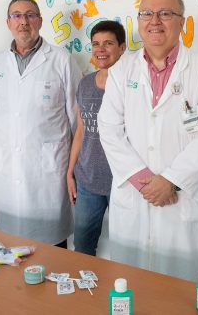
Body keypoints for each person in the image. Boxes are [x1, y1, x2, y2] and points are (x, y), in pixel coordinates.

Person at [98, 0, 198, 281]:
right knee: (132, 289)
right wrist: (144, 180)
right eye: (147, 14)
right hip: (135, 197)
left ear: (182, 22)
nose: (155, 21)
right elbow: (109, 129)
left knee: (182, 295)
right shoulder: (122, 71)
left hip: (181, 201)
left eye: (165, 13)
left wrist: (170, 180)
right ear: (139, 21)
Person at [0, 0, 81, 248]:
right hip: (9, 169)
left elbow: (75, 118)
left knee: (52, 252)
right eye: (16, 15)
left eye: (30, 15)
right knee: (10, 251)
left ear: (39, 20)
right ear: (8, 23)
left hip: (48, 173)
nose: (23, 22)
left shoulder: (61, 60)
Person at [66, 20, 126, 256]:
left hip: (122, 181)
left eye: (108, 43)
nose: (101, 50)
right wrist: (70, 172)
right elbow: (81, 130)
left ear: (122, 48)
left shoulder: (130, 85)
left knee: (125, 250)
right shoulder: (85, 84)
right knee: (82, 247)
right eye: (96, 44)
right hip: (88, 180)